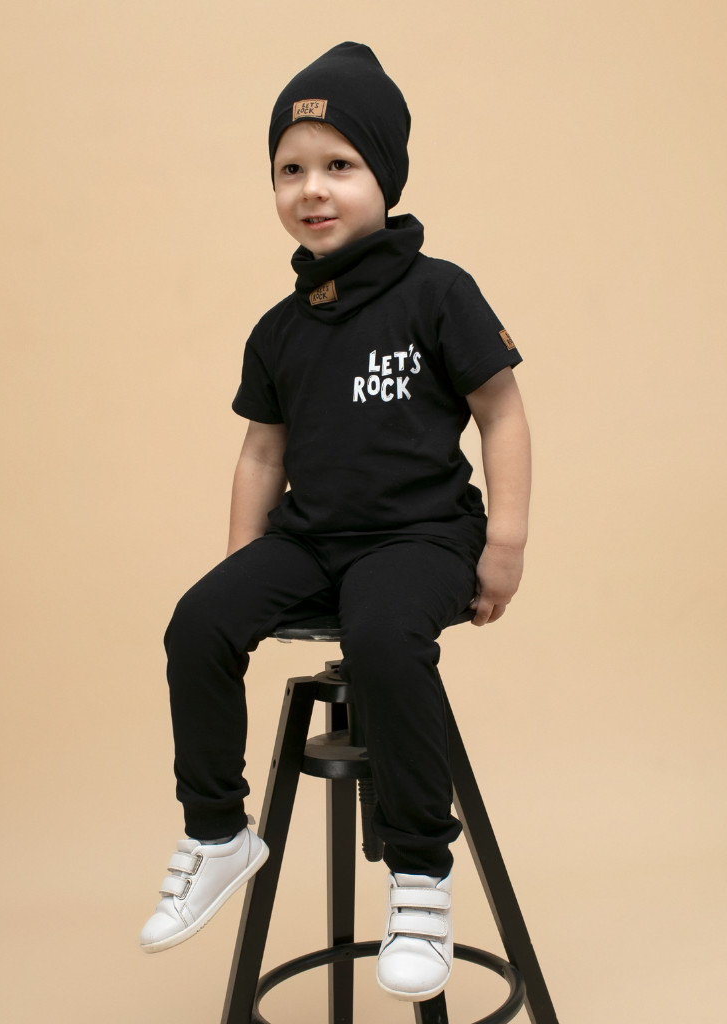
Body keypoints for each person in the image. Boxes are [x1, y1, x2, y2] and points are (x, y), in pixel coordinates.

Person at [140, 41, 531, 1003]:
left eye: (340, 165)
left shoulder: (438, 291)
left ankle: (420, 876)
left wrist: (505, 543)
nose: (312, 189)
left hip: (421, 537)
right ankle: (218, 834)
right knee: (197, 621)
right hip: (310, 541)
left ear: (385, 175)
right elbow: (261, 455)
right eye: (290, 169)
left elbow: (502, 413)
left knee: (384, 634)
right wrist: (241, 567)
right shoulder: (279, 329)